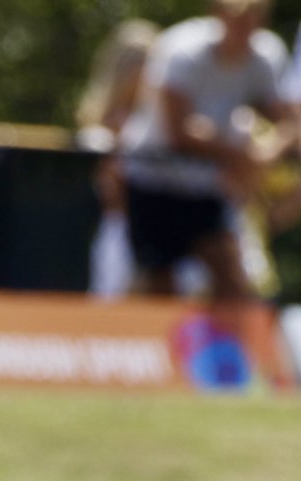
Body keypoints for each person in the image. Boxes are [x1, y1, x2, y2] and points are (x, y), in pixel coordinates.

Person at [117, 0, 294, 300]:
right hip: (153, 178)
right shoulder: (182, 50)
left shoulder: (266, 56)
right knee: (159, 284)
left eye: (253, 19)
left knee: (232, 281)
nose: (245, 29)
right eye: (238, 19)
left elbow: (288, 121)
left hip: (205, 185)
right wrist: (239, 155)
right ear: (219, 14)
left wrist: (268, 152)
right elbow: (178, 131)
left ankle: (232, 346)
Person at [76, 19, 161, 298]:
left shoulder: (163, 122)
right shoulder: (97, 127)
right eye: (135, 62)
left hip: (162, 224)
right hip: (119, 230)